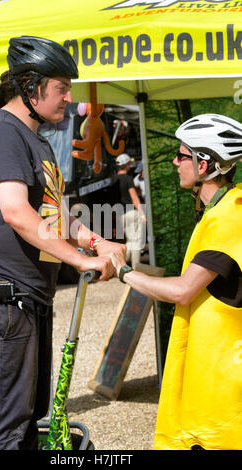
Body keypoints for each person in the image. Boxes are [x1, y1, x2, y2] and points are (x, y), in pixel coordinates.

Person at [0, 36, 125, 450]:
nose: (69, 98)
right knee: (6, 426)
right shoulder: (1, 132)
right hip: (3, 302)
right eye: (61, 87)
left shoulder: (35, 138)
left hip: (27, 300)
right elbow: (17, 212)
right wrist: (79, 261)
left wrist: (96, 242)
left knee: (28, 421)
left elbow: (51, 212)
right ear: (30, 85)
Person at [111, 114, 242, 450]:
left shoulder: (228, 216)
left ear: (205, 165)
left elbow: (183, 290)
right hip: (214, 369)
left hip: (222, 379)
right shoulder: (222, 209)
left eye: (183, 155)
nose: (175, 161)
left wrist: (124, 272)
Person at [112, 153, 146, 268]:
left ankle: (122, 265)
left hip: (120, 215)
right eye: (129, 164)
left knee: (129, 241)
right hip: (132, 212)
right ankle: (135, 268)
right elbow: (134, 197)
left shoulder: (112, 180)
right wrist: (142, 213)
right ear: (126, 165)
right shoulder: (127, 179)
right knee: (136, 242)